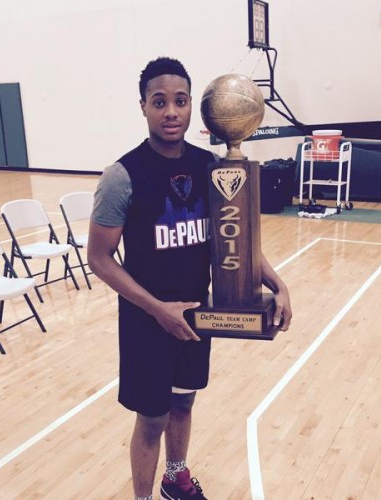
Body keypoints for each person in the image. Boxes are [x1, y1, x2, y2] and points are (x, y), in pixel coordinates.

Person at [87, 56, 292, 500]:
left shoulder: (212, 168)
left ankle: (175, 476)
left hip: (198, 316)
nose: (171, 112)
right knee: (152, 418)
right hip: (147, 320)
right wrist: (157, 309)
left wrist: (279, 285)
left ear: (190, 107)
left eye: (180, 101)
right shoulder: (122, 176)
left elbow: (237, 240)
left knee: (184, 401)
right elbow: (100, 259)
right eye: (159, 102)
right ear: (143, 106)